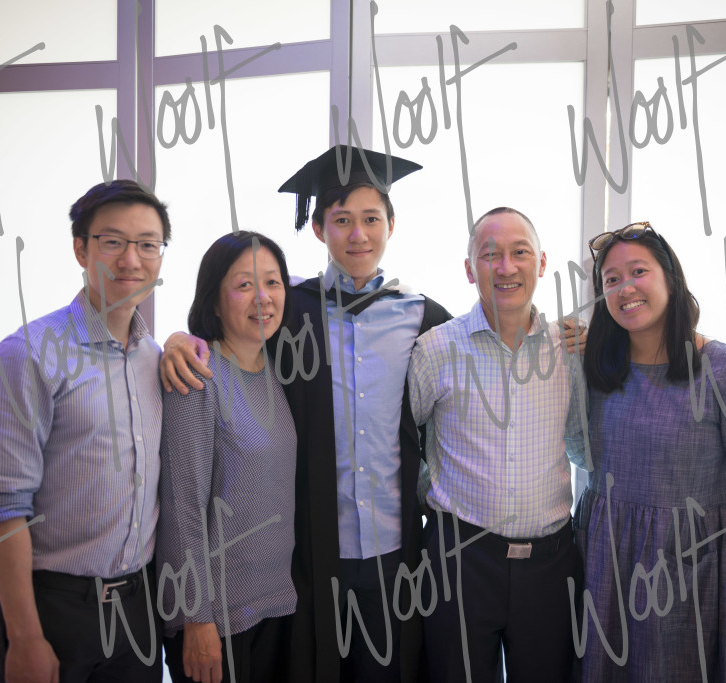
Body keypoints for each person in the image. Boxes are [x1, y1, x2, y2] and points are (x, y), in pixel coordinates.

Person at [162, 145, 453, 683]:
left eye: (371, 219)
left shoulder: (425, 319)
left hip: (395, 554)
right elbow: (226, 334)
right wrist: (179, 340)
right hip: (307, 558)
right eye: (342, 220)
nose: (358, 234)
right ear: (319, 229)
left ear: (391, 225)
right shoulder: (288, 308)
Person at [576, 221, 726, 682]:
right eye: (611, 279)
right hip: (602, 567)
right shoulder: (595, 367)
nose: (625, 288)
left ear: (671, 280)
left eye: (638, 272)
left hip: (690, 574)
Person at [0, 179, 169, 683]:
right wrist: (24, 638)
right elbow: (4, 505)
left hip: (137, 609)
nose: (132, 259)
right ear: (81, 249)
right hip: (55, 609)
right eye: (113, 242)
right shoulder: (26, 355)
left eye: (148, 244)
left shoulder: (153, 357)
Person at [407, 207, 588, 683]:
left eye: (519, 252)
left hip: (550, 565)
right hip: (459, 562)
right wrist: (431, 491)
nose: (506, 267)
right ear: (470, 269)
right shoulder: (436, 350)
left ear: (542, 262)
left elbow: (582, 445)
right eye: (490, 255)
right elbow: (401, 444)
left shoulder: (569, 350)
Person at [157, 231, 297, 683]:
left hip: (276, 604)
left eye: (273, 282)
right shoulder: (198, 376)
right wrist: (196, 618)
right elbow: (182, 507)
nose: (263, 297)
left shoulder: (277, 371)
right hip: (216, 619)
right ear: (214, 302)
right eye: (243, 285)